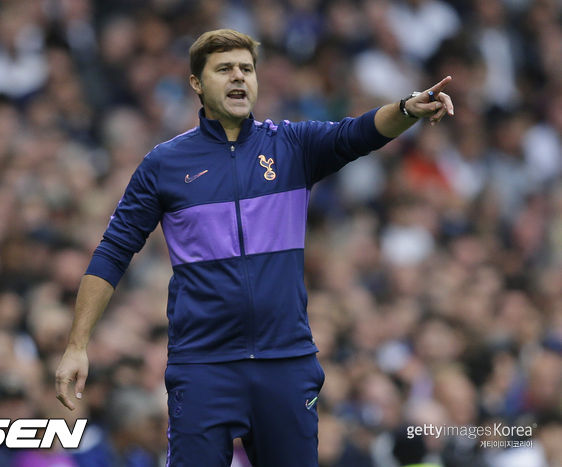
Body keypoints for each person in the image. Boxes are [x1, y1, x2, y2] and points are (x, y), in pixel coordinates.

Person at [55, 29, 454, 466]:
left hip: (286, 362)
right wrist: (77, 345)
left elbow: (357, 133)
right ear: (196, 83)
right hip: (203, 366)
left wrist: (406, 109)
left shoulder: (292, 145)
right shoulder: (163, 165)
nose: (238, 77)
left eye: (246, 68)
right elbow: (113, 251)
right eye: (224, 69)